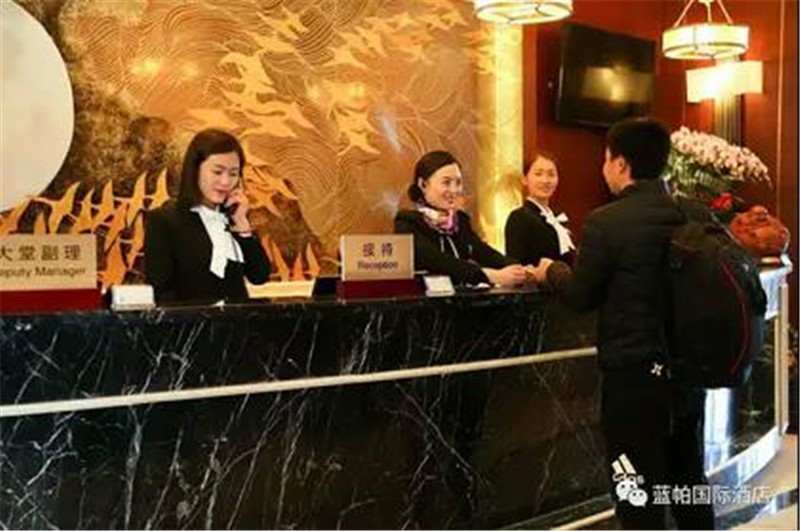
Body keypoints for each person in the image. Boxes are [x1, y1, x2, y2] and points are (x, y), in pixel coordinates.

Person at [532, 118, 714, 530]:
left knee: (634, 487)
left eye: (605, 159)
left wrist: (551, 272)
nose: (604, 168)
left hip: (634, 377)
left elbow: (582, 295)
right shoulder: (693, 214)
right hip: (685, 374)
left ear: (620, 163)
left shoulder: (607, 221)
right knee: (688, 479)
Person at [145, 128, 270, 304]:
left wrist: (242, 226)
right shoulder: (164, 220)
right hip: (190, 321)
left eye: (233, 173)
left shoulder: (233, 217)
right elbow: (161, 292)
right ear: (195, 170)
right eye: (217, 172)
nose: (225, 182)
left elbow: (260, 276)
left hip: (238, 320)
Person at [394, 150, 528, 287]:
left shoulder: (460, 221)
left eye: (458, 183)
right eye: (446, 183)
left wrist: (522, 270)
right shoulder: (407, 223)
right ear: (423, 184)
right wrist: (489, 276)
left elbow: (485, 253)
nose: (454, 190)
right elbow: (440, 262)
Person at [504, 151, 575, 265]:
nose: (545, 180)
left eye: (551, 174)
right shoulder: (519, 217)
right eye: (538, 174)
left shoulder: (558, 217)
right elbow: (515, 264)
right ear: (524, 179)